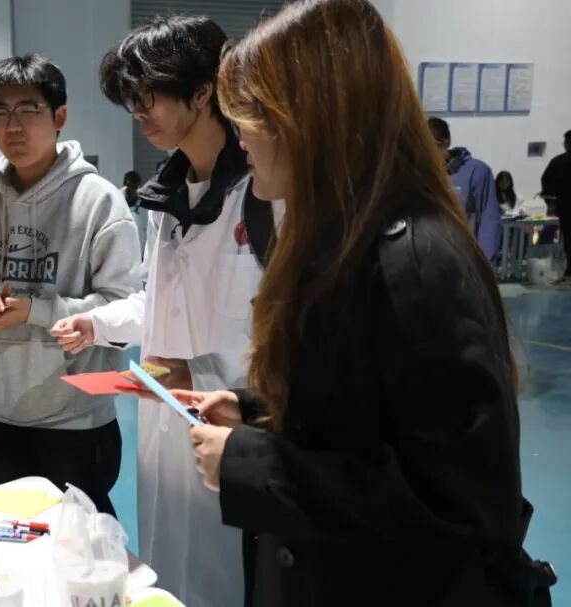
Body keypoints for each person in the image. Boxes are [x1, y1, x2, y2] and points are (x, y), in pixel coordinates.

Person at [174, 1, 554, 605]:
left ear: (315, 118)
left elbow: (456, 503)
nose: (240, 133)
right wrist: (258, 412)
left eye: (255, 113)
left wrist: (254, 465)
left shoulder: (417, 261)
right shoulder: (345, 241)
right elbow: (362, 410)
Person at [50, 15, 281, 606]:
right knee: (165, 572)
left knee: (230, 577)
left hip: (233, 424)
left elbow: (286, 331)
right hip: (165, 426)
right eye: (130, 98)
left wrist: (199, 372)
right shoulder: (165, 198)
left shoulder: (265, 195)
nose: (138, 111)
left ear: (202, 92)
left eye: (149, 95)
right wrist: (98, 323)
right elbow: (156, 301)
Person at [0, 54, 142, 517]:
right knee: (11, 536)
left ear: (60, 117)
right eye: (1, 111)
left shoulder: (100, 203)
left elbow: (123, 307)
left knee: (82, 541)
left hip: (76, 417)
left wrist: (36, 310)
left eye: (28, 110)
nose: (13, 126)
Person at [427, 117, 501, 262]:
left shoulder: (477, 172)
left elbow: (489, 221)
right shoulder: (423, 174)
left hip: (465, 261)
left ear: (446, 143)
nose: (426, 154)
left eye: (431, 147)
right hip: (433, 262)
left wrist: (485, 264)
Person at [541, 129, 571, 281]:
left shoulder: (558, 162)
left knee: (568, 239)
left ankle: (569, 271)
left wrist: (552, 201)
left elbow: (546, 183)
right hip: (564, 205)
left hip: (565, 206)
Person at [121, 170, 148, 252]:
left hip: (139, 246)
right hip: (123, 246)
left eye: (135, 187)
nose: (132, 190)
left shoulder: (143, 202)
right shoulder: (118, 200)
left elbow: (146, 226)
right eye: (130, 186)